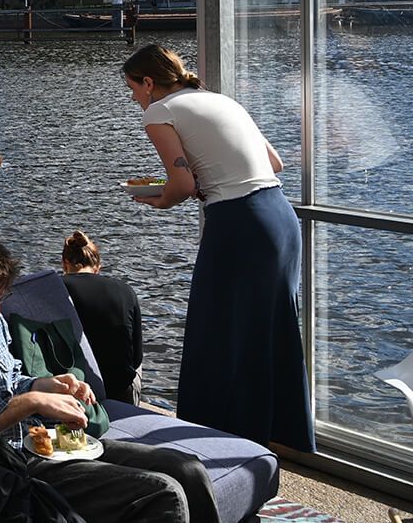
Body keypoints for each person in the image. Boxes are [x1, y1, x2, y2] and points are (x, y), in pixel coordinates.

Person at [0, 226, 218, 523]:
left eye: (0, 299)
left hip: (41, 440)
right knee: (162, 493)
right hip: (3, 463)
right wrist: (32, 401)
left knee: (188, 470)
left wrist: (48, 385)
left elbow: (9, 381)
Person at [122, 44, 313, 450]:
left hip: (240, 224)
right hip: (279, 217)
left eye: (133, 89)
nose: (135, 99)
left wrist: (162, 200)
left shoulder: (159, 112)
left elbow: (182, 184)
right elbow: (274, 163)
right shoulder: (221, 101)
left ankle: (213, 440)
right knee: (268, 332)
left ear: (149, 82)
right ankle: (269, 439)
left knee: (216, 332)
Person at [61, 230, 143, 406]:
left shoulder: (54, 289)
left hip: (73, 388)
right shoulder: (125, 290)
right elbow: (137, 358)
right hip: (118, 391)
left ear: (65, 264)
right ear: (97, 267)